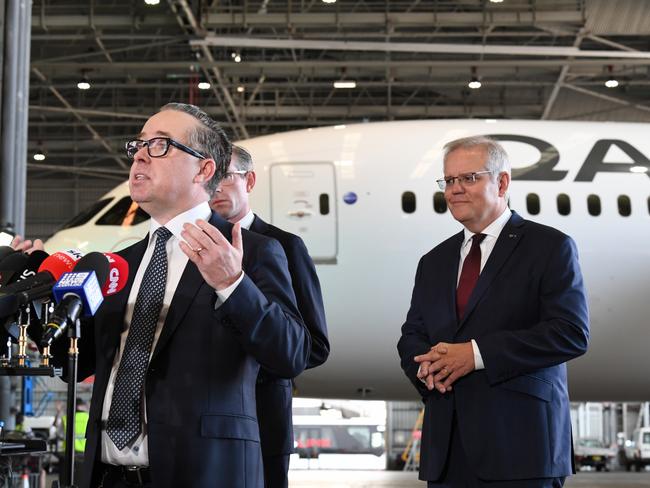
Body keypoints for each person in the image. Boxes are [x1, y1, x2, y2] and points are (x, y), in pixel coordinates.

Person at [46, 102, 310, 488]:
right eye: (138, 145)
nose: (139, 154)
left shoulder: (252, 251)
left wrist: (232, 284)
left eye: (160, 145)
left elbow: (292, 354)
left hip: (204, 473)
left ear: (204, 169)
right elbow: (79, 364)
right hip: (108, 477)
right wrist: (44, 311)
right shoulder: (118, 263)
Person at [397, 136, 589, 488]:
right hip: (447, 451)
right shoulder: (434, 262)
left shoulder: (549, 247)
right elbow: (412, 335)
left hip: (522, 450)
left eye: (468, 178)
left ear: (502, 183)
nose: (454, 190)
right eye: (449, 181)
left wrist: (475, 354)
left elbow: (570, 333)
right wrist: (427, 368)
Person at [210, 145, 329, 488]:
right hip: (205, 422)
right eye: (209, 178)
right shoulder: (195, 247)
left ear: (249, 181)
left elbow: (314, 345)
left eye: (226, 176)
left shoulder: (284, 246)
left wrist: (251, 359)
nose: (216, 187)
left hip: (263, 417)